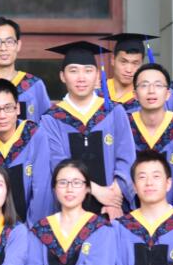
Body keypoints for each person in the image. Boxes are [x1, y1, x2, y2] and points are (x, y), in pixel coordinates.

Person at [40, 41, 135, 220]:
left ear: (97, 75)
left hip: (112, 211)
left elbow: (126, 157)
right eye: (73, 71)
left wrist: (113, 198)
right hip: (69, 212)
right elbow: (57, 163)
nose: (81, 78)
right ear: (62, 76)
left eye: (88, 70)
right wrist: (96, 190)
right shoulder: (51, 119)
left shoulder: (114, 112)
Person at [0, 77, 53, 225]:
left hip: (29, 229)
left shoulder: (35, 135)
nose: (2, 116)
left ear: (18, 108)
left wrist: (30, 231)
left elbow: (42, 190)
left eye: (8, 108)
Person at [127, 62, 173, 206]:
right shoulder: (124, 125)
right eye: (144, 85)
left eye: (158, 85)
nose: (151, 91)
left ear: (168, 94)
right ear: (135, 94)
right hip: (130, 210)